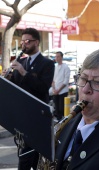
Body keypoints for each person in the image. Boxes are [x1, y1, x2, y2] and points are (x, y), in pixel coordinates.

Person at [2, 28, 55, 170]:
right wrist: (7, 79)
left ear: (36, 42)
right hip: (22, 115)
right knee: (26, 153)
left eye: (27, 41)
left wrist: (23, 72)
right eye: (23, 41)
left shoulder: (47, 64)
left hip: (37, 115)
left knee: (32, 156)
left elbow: (43, 88)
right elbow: (16, 87)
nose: (24, 44)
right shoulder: (22, 61)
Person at [52, 51, 70, 120]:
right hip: (55, 90)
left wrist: (58, 90)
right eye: (56, 56)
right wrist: (54, 89)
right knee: (56, 108)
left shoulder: (66, 67)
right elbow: (53, 79)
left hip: (63, 91)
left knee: (61, 108)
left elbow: (66, 80)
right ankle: (58, 121)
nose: (56, 58)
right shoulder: (55, 67)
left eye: (58, 56)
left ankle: (63, 121)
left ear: (61, 57)